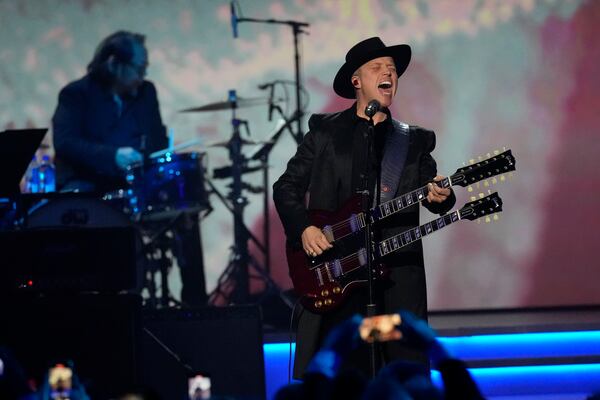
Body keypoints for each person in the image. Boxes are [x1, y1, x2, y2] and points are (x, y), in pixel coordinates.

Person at [273, 37, 456, 377]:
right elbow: (286, 187)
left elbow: (434, 194)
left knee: (398, 371)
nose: (389, 72)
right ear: (356, 81)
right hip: (337, 279)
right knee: (341, 371)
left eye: (392, 69)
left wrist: (442, 197)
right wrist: (304, 228)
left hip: (393, 281)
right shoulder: (325, 132)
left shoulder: (413, 140)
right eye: (377, 67)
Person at [51, 31, 207, 306]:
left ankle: (196, 307)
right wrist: (113, 156)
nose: (142, 75)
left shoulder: (146, 93)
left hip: (135, 186)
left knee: (185, 211)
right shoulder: (76, 95)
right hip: (92, 187)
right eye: (139, 68)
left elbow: (156, 140)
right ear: (114, 64)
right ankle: (106, 303)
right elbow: (65, 142)